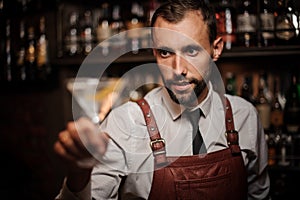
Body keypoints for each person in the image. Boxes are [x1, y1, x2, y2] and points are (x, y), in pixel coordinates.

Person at [54, 0, 270, 199]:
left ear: (216, 49)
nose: (178, 70)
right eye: (165, 53)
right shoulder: (125, 122)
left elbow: (258, 195)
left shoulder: (245, 116)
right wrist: (79, 173)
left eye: (191, 51)